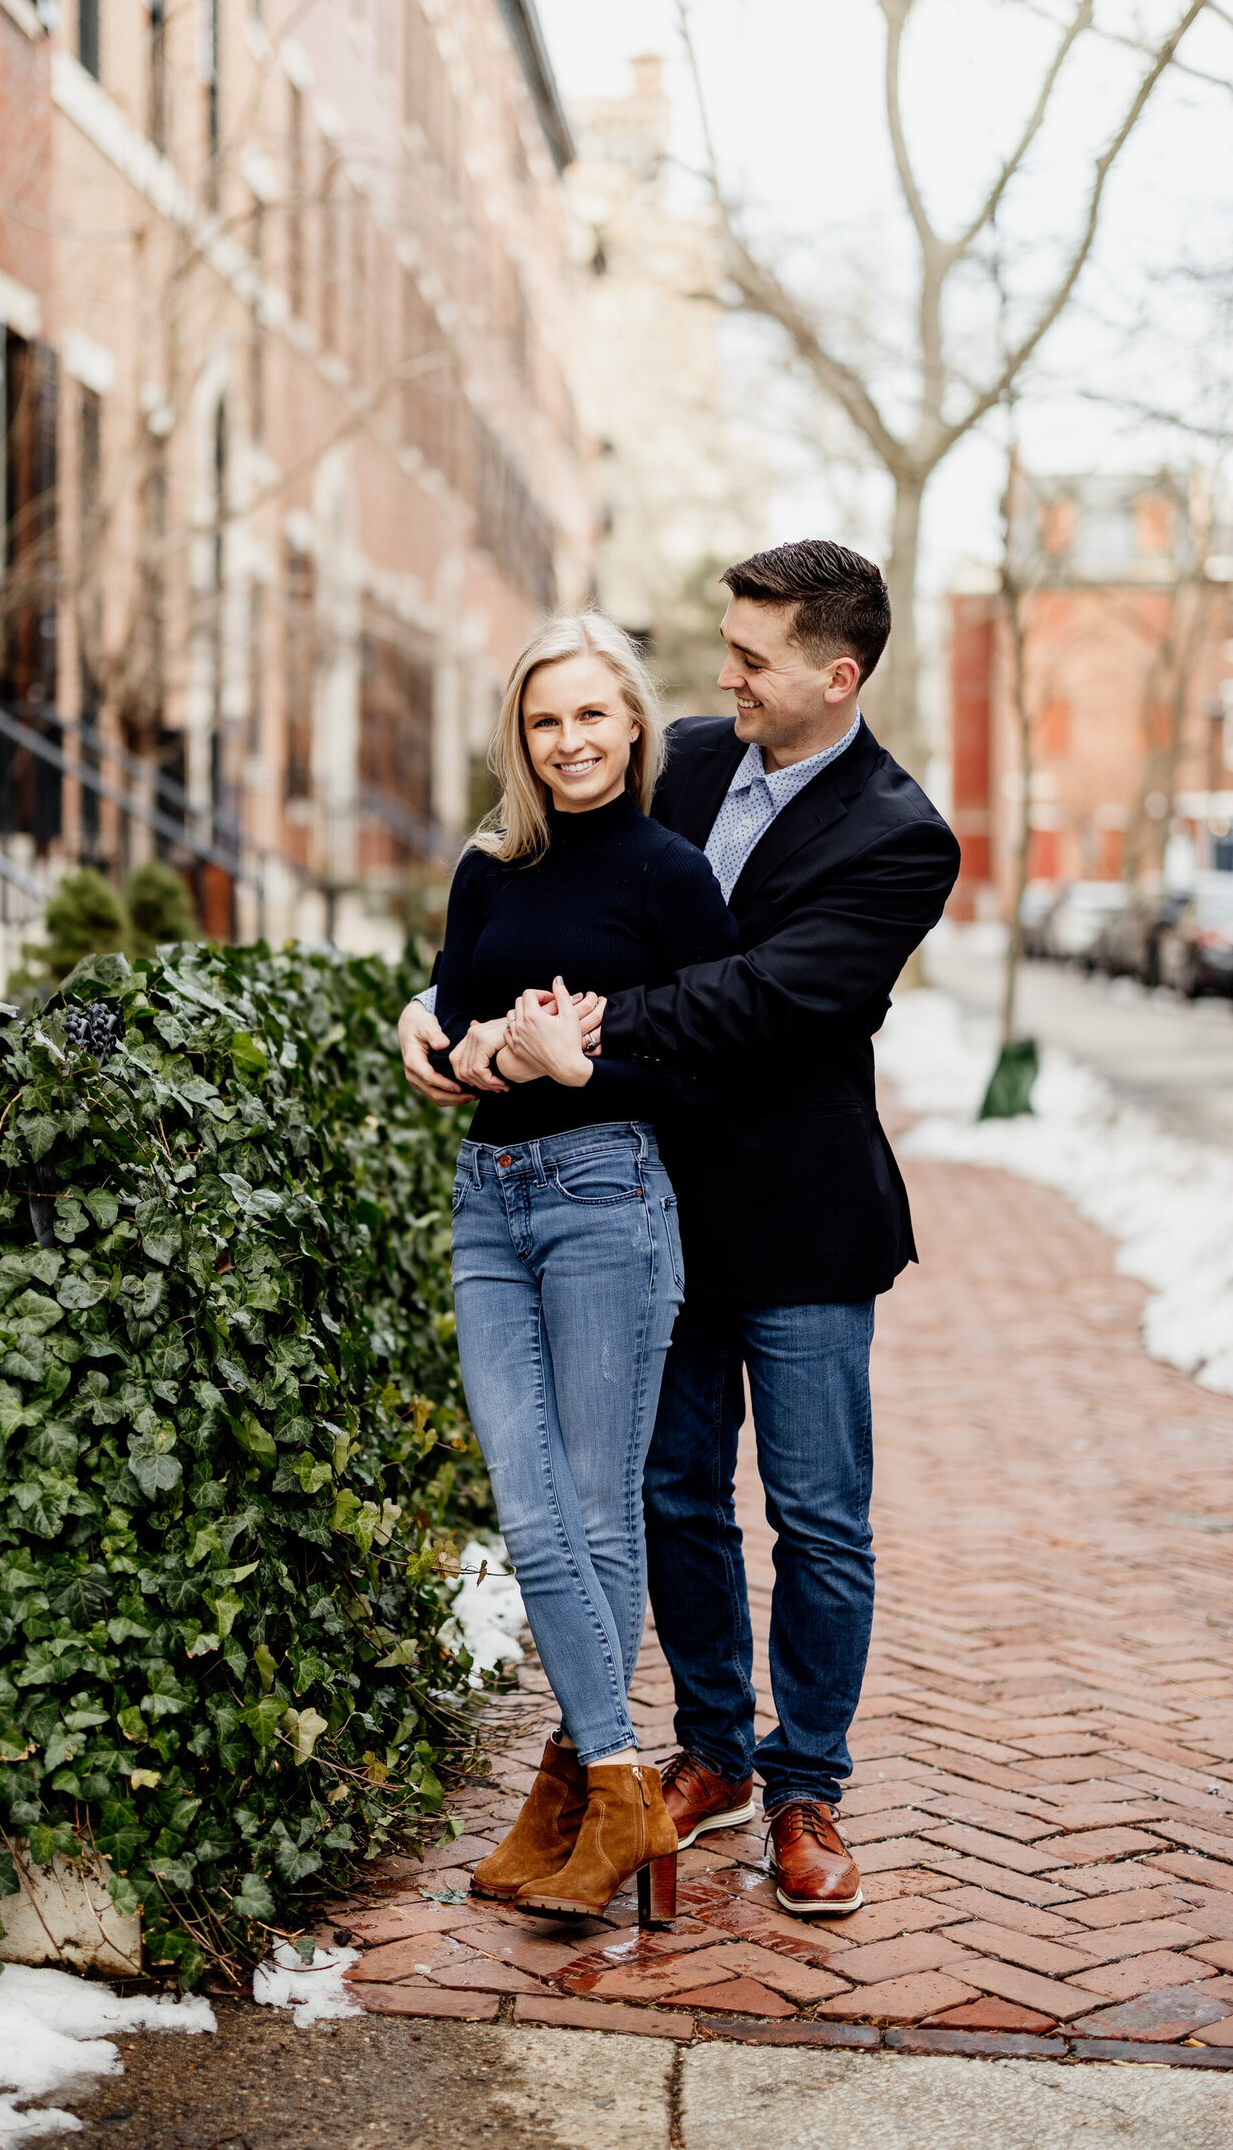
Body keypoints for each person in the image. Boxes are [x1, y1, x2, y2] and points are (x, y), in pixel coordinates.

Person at [402, 544, 960, 1918]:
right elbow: (554, 891)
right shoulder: (687, 759)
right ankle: (707, 1751)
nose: (727, 674)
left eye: (755, 656)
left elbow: (763, 999)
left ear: (838, 675)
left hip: (801, 1215)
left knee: (819, 1518)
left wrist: (561, 1042)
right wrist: (448, 1015)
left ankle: (808, 1785)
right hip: (647, 1207)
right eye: (726, 648)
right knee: (673, 1497)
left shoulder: (902, 836)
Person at [432, 610, 737, 1925]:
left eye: (594, 717)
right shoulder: (488, 870)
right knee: (529, 1499)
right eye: (547, 720)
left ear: (633, 727)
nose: (572, 742)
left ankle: (593, 1786)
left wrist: (580, 1069)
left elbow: (715, 1066)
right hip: (488, 1199)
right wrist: (464, 1041)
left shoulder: (671, 875)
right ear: (526, 735)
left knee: (590, 1516)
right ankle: (604, 1788)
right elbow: (449, 1017)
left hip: (609, 1192)